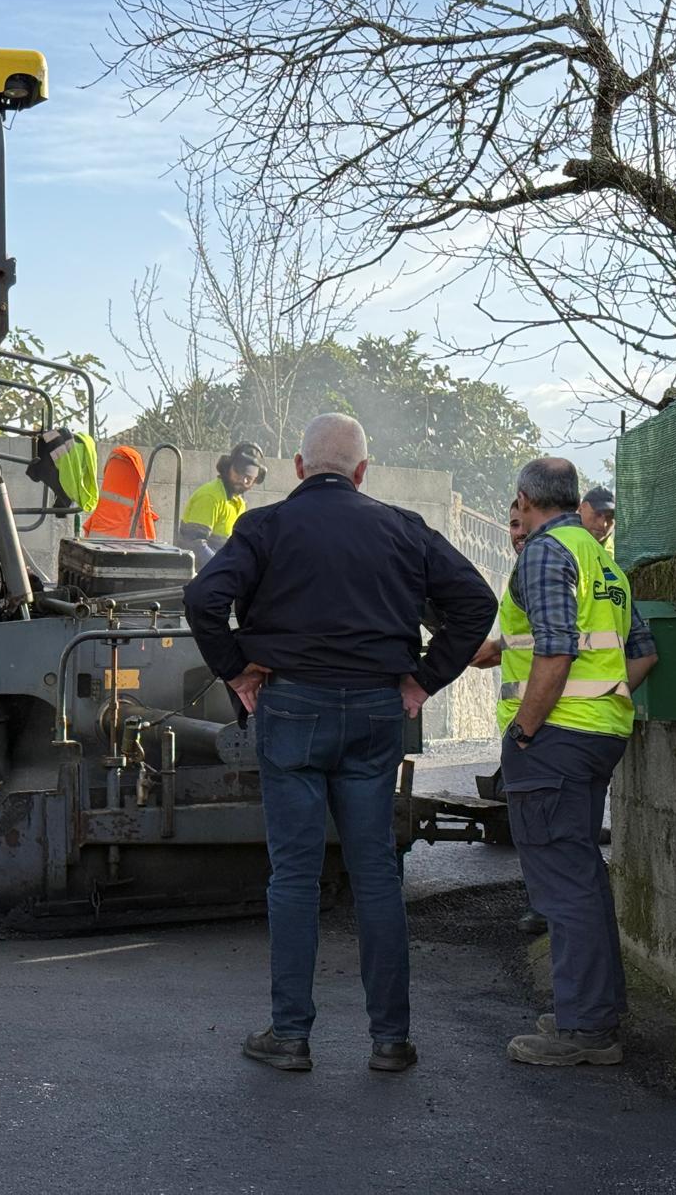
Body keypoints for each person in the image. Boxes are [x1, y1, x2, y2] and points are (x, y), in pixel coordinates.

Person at [183, 413, 496, 1074]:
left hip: (292, 706)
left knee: (295, 875)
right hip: (378, 709)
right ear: (362, 471)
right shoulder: (404, 528)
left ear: (299, 468)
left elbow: (204, 597)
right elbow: (475, 601)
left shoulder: (263, 526)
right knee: (376, 872)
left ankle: (290, 1036)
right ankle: (391, 1040)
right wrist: (423, 680)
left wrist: (237, 671)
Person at [495, 459, 657, 1066]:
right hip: (599, 736)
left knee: (562, 886)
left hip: (554, 741)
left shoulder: (545, 551)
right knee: (582, 875)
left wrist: (524, 730)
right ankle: (595, 1010)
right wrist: (603, 699)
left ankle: (585, 1029)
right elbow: (643, 653)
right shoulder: (604, 562)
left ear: (525, 498)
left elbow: (557, 651)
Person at [474, 502, 548, 936]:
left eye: (525, 523)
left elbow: (555, 639)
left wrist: (524, 730)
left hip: (536, 722)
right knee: (534, 822)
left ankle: (546, 906)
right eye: (512, 525)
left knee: (539, 824)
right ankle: (545, 902)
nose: (518, 533)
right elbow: (528, 636)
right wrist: (497, 647)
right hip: (524, 720)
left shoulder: (542, 566)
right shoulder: (526, 570)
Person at [177, 442, 264, 567]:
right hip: (198, 574)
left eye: (248, 478)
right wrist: (223, 569)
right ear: (228, 467)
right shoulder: (210, 497)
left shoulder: (239, 503)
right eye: (238, 473)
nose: (242, 480)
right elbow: (195, 545)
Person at [579, 486, 616, 553]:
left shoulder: (618, 552)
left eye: (609, 517)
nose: (603, 524)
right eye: (598, 514)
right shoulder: (564, 544)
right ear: (581, 509)